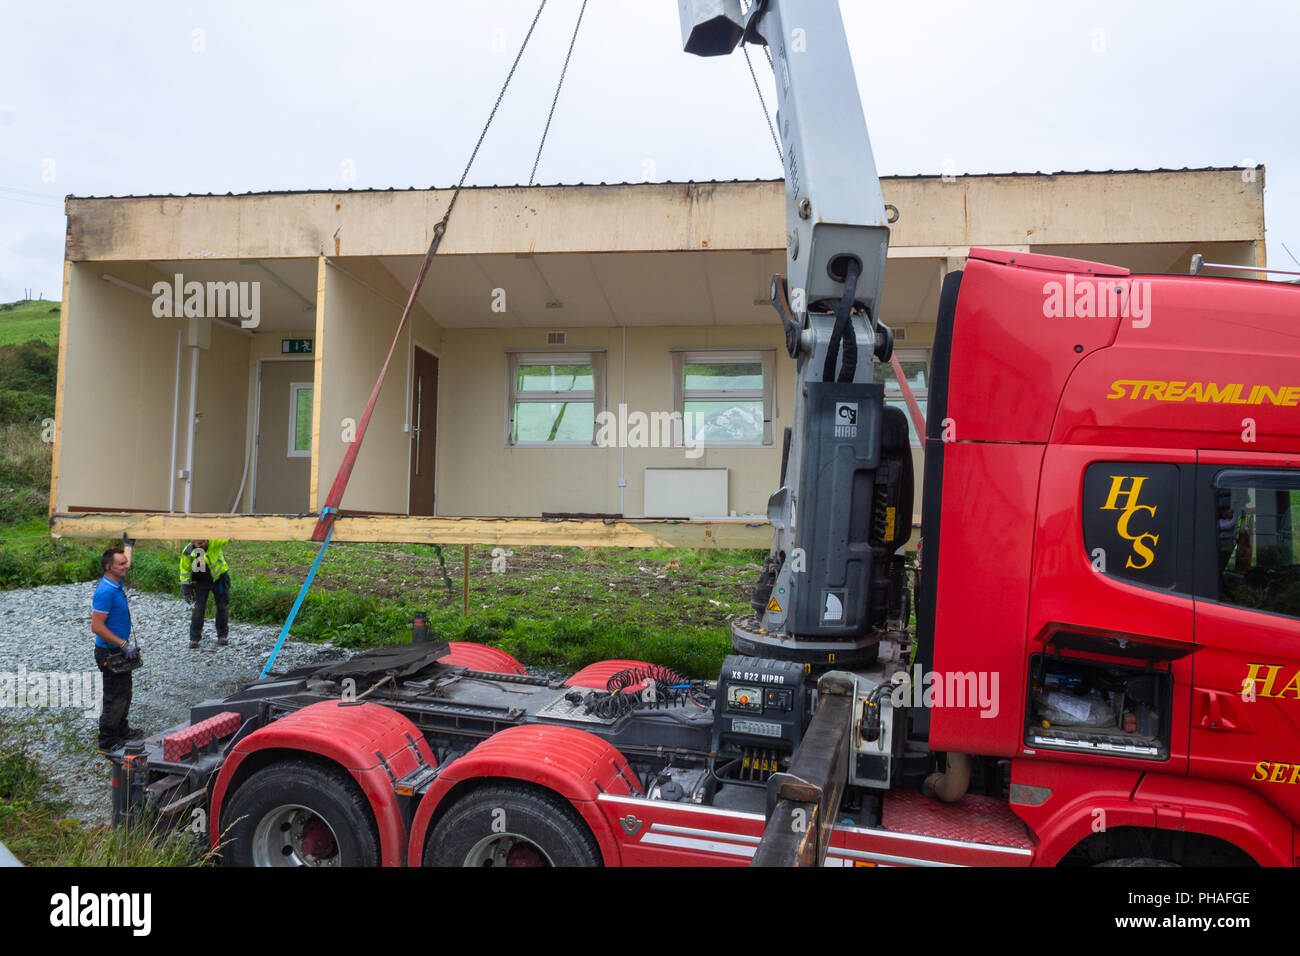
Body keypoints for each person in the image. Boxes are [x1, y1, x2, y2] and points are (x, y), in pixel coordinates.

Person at [91, 541, 140, 751]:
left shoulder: (116, 582)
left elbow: (124, 558)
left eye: (125, 563)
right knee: (114, 695)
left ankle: (121, 730)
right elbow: (97, 626)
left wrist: (128, 544)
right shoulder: (106, 592)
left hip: (119, 649)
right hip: (109, 652)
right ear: (108, 568)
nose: (126, 566)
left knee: (125, 691)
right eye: (121, 564)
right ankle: (107, 741)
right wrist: (123, 644)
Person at [180, 539, 231, 648]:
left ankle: (222, 635)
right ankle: (194, 638)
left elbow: (228, 537)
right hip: (201, 581)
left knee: (222, 606)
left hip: (219, 579)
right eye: (199, 543)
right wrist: (186, 589)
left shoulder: (215, 542)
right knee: (198, 608)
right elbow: (185, 570)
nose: (202, 545)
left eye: (204, 541)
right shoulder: (188, 551)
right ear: (192, 542)